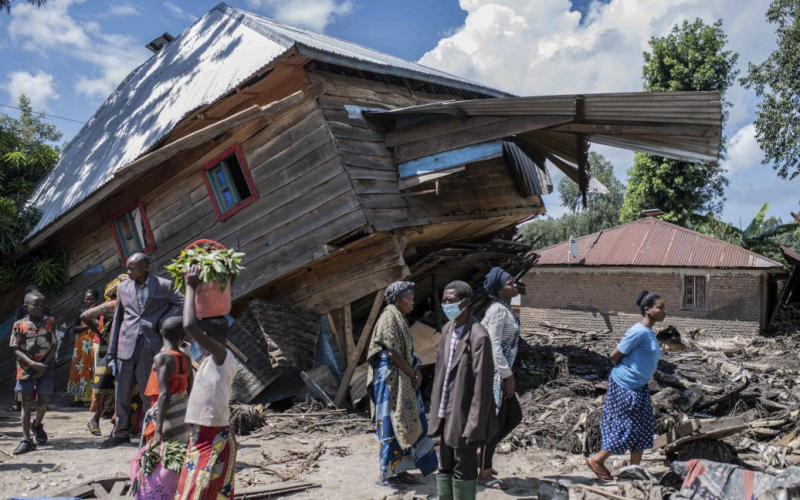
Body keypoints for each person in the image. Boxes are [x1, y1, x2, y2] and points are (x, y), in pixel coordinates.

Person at [101, 253, 184, 448]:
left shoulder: (163, 285)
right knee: (121, 391)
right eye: (127, 267)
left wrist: (164, 322)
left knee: (149, 392)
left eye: (132, 267)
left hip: (150, 344)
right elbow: (118, 318)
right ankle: (120, 433)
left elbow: (181, 303)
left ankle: (151, 434)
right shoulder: (123, 287)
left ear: (145, 266)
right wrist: (112, 351)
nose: (128, 271)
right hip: (125, 345)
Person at [429, 281, 497, 500]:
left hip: (465, 416)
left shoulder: (479, 336)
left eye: (450, 301)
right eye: (444, 301)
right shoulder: (448, 329)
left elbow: (483, 387)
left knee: (464, 468)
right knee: (445, 464)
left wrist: (474, 425)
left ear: (465, 302)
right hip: (444, 412)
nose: (445, 305)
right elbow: (440, 372)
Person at [587, 291, 666, 480]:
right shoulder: (638, 331)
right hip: (625, 385)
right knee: (626, 427)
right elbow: (615, 356)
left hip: (639, 386)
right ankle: (597, 460)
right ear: (647, 309)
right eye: (660, 308)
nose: (664, 311)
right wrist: (627, 374)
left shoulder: (648, 332)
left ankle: (633, 469)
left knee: (642, 427)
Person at [176, 265, 239, 500]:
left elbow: (189, 326)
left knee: (198, 490)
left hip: (213, 435)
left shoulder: (221, 356)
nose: (196, 344)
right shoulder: (209, 361)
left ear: (211, 339)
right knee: (197, 489)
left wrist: (190, 287)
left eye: (200, 339)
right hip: (203, 433)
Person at [367, 281, 439, 488]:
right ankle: (386, 474)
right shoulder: (388, 318)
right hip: (390, 382)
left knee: (407, 423)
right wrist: (411, 373)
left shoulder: (399, 318)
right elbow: (391, 352)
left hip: (403, 379)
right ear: (398, 299)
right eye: (409, 299)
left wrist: (416, 372)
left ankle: (401, 470)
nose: (412, 303)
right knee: (391, 424)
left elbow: (407, 353)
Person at [131, 316, 193, 500]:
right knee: (178, 455)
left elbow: (164, 394)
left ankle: (156, 494)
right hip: (182, 413)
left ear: (161, 333)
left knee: (161, 456)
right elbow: (191, 390)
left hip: (166, 414)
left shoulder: (162, 358)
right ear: (183, 337)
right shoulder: (186, 359)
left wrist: (158, 427)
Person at [478, 268, 523, 490]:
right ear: (498, 289)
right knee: (495, 424)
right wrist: (508, 375)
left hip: (500, 372)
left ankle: (482, 454)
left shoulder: (505, 308)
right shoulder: (497, 310)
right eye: (510, 283)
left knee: (513, 416)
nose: (514, 286)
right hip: (495, 373)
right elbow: (493, 345)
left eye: (514, 283)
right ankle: (484, 473)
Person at [10, 291, 57, 455]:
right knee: (26, 404)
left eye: (43, 305)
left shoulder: (50, 322)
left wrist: (43, 365)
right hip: (25, 368)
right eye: (35, 305)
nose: (40, 308)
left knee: (43, 402)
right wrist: (32, 364)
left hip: (45, 366)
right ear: (26, 307)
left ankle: (37, 425)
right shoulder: (19, 325)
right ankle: (26, 439)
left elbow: (53, 346)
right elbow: (15, 349)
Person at [81, 275, 126, 435]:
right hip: (106, 349)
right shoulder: (112, 305)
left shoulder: (133, 304)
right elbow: (85, 316)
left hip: (125, 348)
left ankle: (119, 422)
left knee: (123, 385)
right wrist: (99, 334)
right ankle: (95, 419)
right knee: (104, 383)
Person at [67, 289, 100, 405]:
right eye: (87, 299)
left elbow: (101, 326)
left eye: (91, 299)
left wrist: (91, 318)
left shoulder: (100, 312)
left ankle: (91, 399)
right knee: (80, 370)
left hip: (93, 345)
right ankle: (79, 399)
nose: (89, 301)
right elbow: (75, 329)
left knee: (92, 370)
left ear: (96, 299)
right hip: (81, 347)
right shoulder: (82, 312)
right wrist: (87, 325)